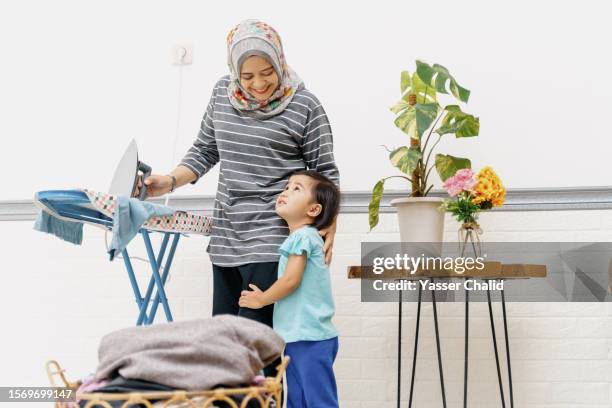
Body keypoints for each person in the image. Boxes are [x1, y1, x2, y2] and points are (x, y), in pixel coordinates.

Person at [138, 19, 340, 360]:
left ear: (279, 62)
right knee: (225, 342)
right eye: (247, 77)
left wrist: (328, 226)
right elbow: (205, 149)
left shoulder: (305, 105)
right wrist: (170, 181)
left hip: (272, 235)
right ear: (234, 71)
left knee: (257, 347)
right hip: (227, 234)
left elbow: (326, 174)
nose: (258, 84)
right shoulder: (221, 94)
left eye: (267, 72)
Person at [239, 170, 340, 408]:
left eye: (297, 189)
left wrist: (261, 299)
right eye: (287, 187)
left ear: (313, 210)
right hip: (300, 336)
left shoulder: (303, 237)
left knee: (318, 401)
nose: (285, 191)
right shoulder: (304, 237)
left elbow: (290, 280)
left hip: (309, 337)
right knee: (298, 399)